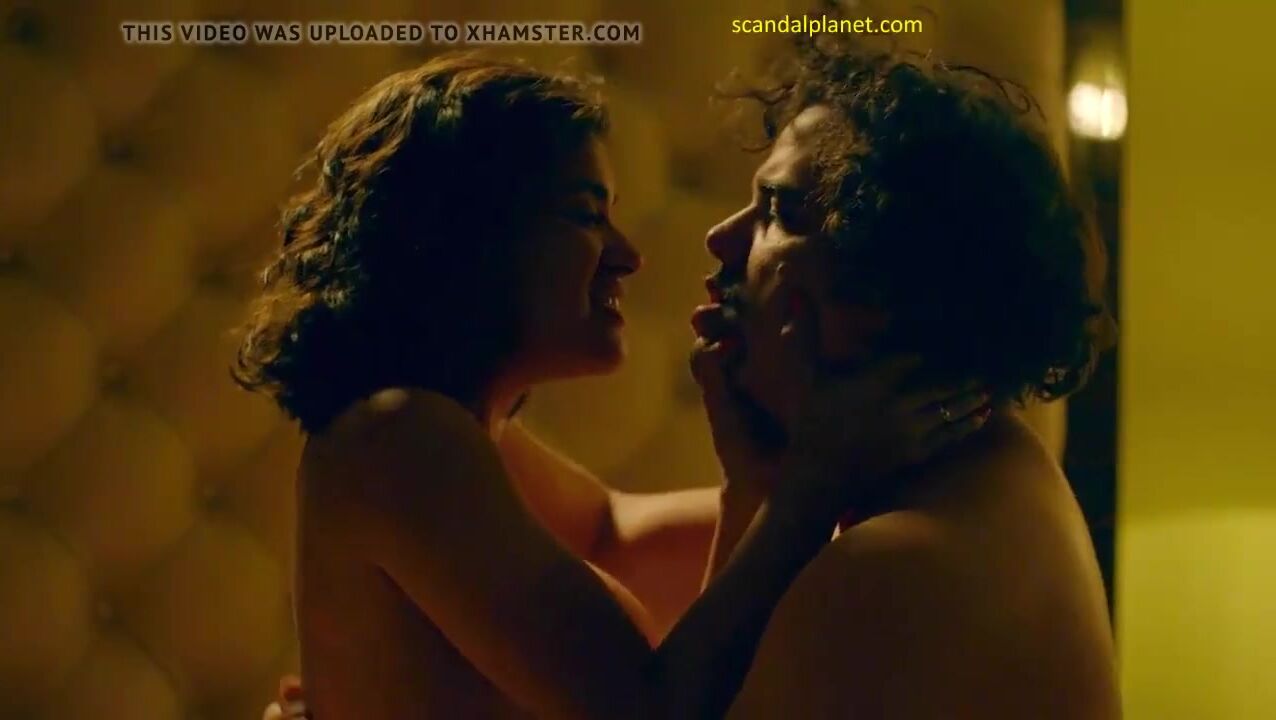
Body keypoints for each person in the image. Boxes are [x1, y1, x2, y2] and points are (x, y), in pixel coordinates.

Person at [236, 53, 986, 720]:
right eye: (585, 214)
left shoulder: (464, 440)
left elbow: (621, 547)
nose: (626, 255)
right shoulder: (402, 438)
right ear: (466, 235)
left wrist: (756, 486)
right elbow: (653, 709)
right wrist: (807, 492)